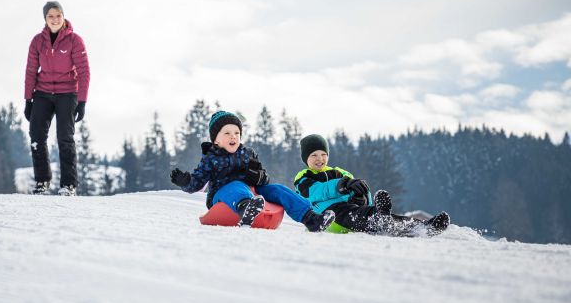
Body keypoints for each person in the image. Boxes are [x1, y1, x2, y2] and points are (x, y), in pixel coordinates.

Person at [170, 111, 335, 231]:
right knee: (235, 185)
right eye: (227, 133)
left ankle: (311, 218)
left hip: (253, 192)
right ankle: (246, 208)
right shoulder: (210, 159)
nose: (233, 136)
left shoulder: (248, 154)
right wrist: (186, 182)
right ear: (216, 140)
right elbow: (197, 184)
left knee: (278, 189)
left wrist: (258, 177)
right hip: (222, 196)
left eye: (237, 133)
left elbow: (264, 179)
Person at [293, 134, 450, 236]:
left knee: (372, 213)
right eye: (313, 155)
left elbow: (354, 189)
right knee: (355, 215)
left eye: (323, 154)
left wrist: (360, 194)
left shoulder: (340, 172)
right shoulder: (303, 177)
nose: (319, 158)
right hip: (327, 217)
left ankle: (423, 227)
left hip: (350, 210)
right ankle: (378, 220)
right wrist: (341, 185)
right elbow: (315, 192)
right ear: (305, 158)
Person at [23, 1, 90, 196]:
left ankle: (69, 185)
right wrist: (28, 100)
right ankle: (42, 181)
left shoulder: (74, 40)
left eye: (58, 15)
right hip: (42, 93)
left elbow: (84, 72)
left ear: (63, 17)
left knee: (65, 138)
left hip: (67, 93)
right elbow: (30, 71)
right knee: (36, 136)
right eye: (50, 16)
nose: (55, 19)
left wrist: (82, 101)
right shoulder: (37, 41)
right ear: (45, 19)